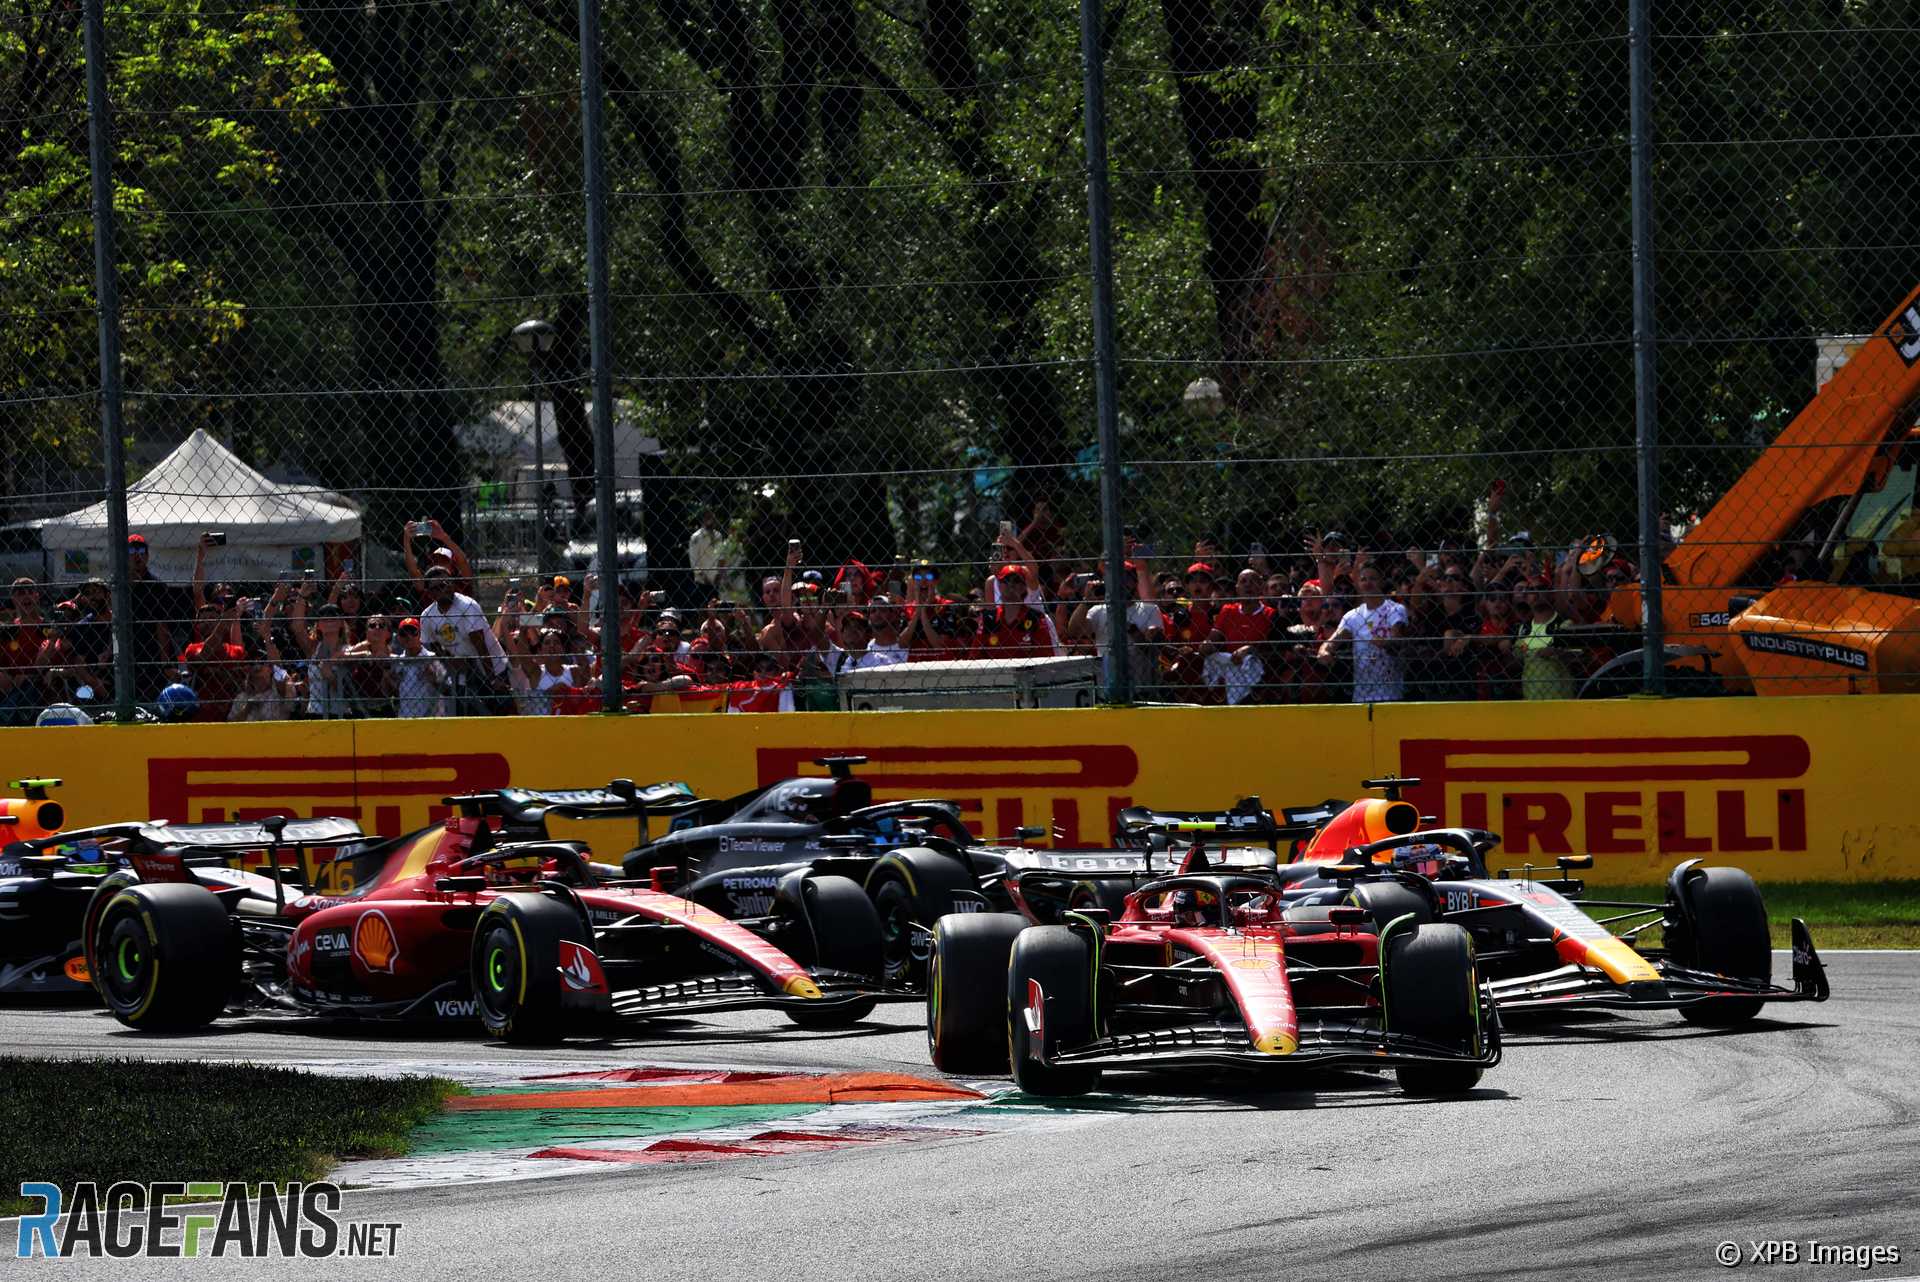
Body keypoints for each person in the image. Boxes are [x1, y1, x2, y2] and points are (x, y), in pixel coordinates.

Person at [418, 566, 510, 714]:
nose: (445, 588)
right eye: (439, 586)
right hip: (462, 675)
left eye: (448, 583)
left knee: (498, 716)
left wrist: (493, 680)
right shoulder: (427, 616)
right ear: (430, 593)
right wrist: (449, 661)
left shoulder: (467, 606)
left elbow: (480, 646)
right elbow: (433, 646)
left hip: (492, 668)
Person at [1318, 561, 1408, 703]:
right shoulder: (1352, 616)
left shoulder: (1395, 609)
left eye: (1373, 578)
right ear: (1358, 584)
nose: (1367, 583)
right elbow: (1330, 643)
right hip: (1362, 695)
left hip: (1392, 694)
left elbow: (1399, 640)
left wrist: (1386, 643)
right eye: (1363, 579)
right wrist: (1325, 652)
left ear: (1382, 581)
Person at [125, 533, 193, 699]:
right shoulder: (117, 586)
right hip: (124, 651)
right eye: (132, 551)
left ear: (147, 556)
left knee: (149, 698)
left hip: (150, 653)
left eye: (141, 551)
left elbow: (162, 626)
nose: (137, 556)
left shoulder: (156, 587)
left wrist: (165, 664)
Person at [1514, 574, 1578, 700]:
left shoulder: (1564, 625)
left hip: (1561, 699)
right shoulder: (1524, 629)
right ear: (1526, 598)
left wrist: (1557, 652)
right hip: (1531, 699)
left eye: (1541, 588)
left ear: (1551, 594)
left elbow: (1579, 657)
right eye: (1531, 590)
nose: (1536, 593)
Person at [1, 579, 47, 724]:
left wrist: (27, 676)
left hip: (41, 686)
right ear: (14, 599)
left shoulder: (48, 627)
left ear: (37, 596)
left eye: (30, 592)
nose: (26, 596)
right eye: (21, 593)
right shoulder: (8, 630)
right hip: (12, 688)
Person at [390, 618, 448, 718]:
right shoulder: (398, 662)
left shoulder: (432, 658)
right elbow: (392, 693)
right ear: (399, 637)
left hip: (431, 718)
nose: (409, 637)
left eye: (413, 632)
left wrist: (434, 680)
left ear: (420, 635)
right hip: (406, 717)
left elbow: (448, 690)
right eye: (403, 634)